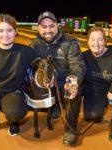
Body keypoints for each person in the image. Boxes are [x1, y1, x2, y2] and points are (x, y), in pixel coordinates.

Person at [0, 14, 39, 136]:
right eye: (1, 30)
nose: (5, 35)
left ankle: (13, 121)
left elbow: (41, 62)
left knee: (17, 111)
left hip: (12, 92)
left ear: (16, 31)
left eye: (9, 30)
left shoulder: (24, 51)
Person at [30, 11, 86, 147]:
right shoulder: (34, 45)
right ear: (38, 28)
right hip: (46, 85)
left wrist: (73, 81)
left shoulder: (70, 43)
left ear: (57, 26)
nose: (48, 30)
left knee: (73, 92)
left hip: (64, 83)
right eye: (44, 27)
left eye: (51, 26)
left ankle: (71, 129)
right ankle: (54, 106)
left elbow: (78, 66)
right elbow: (23, 61)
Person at [82, 27, 112, 143]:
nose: (96, 43)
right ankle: (101, 107)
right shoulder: (84, 56)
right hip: (96, 91)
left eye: (100, 40)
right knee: (92, 116)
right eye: (93, 39)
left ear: (105, 41)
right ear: (88, 42)